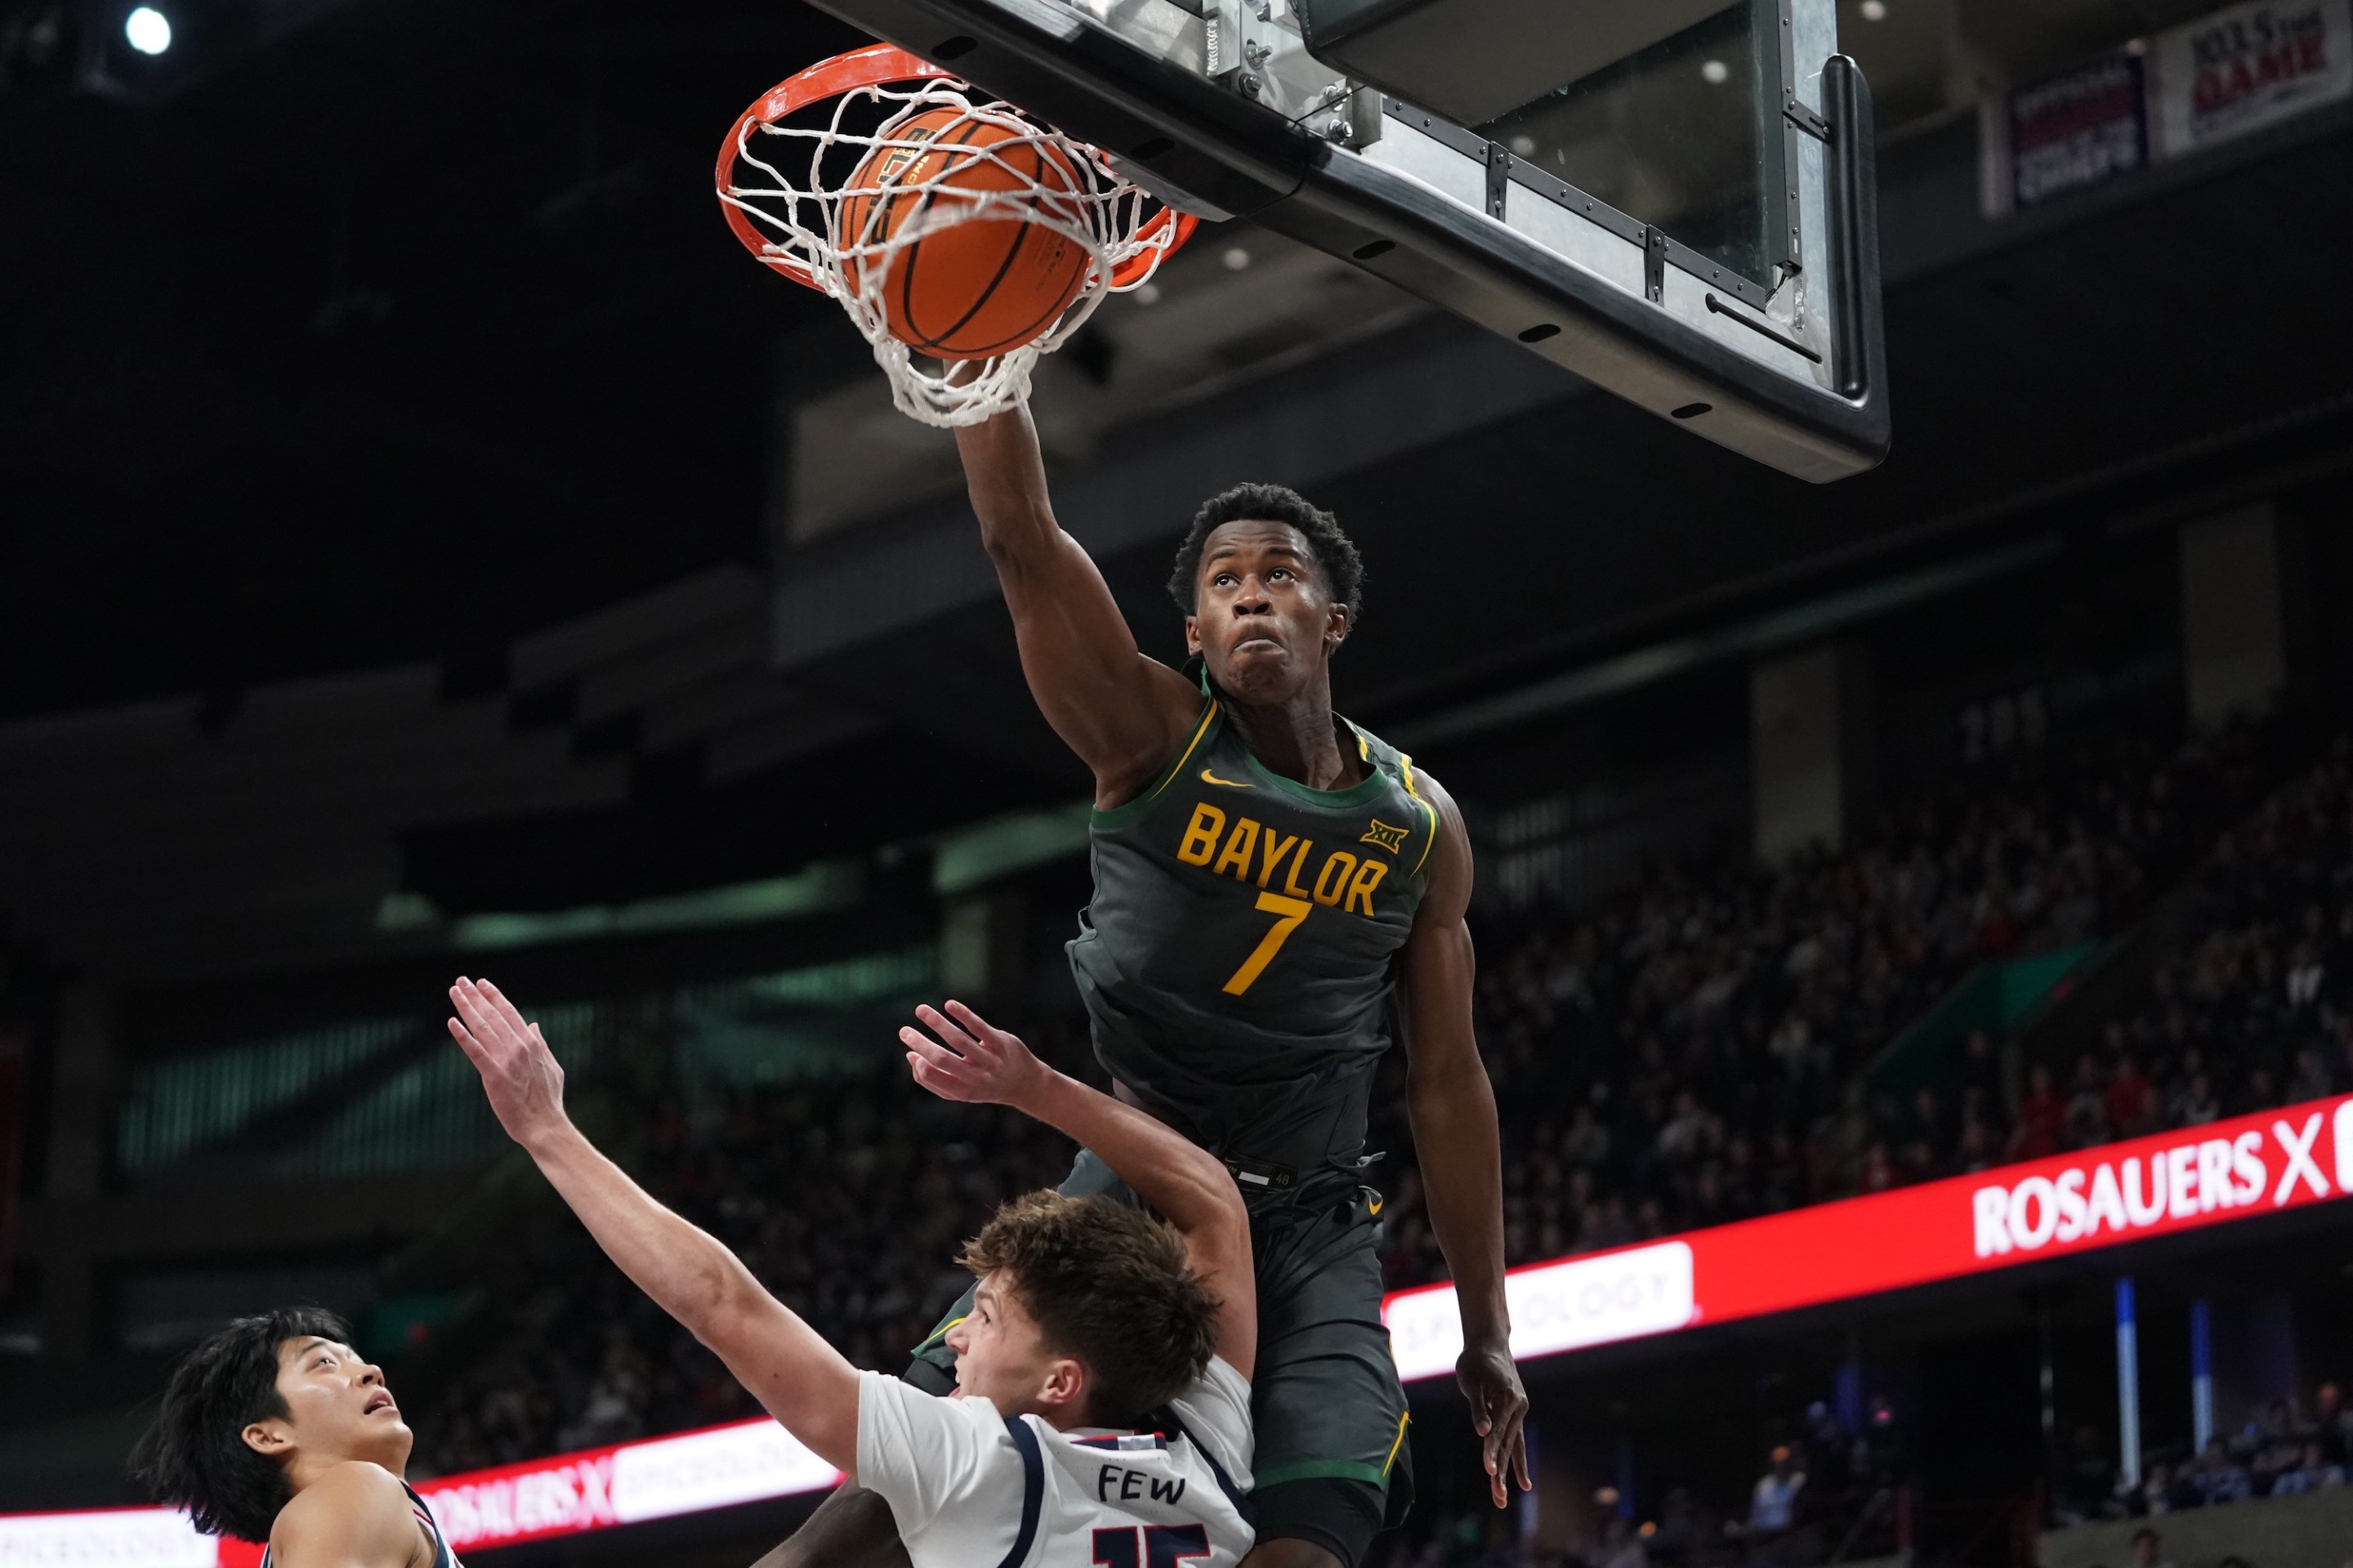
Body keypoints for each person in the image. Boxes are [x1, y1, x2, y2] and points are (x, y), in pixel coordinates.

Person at [779, 399, 1524, 1568]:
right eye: (1224, 582)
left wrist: (1488, 1327)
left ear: (1336, 618)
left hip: (1313, 1213)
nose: (1251, 594)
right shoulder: (1150, 736)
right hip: (1132, 1178)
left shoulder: (1419, 824)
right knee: (879, 1489)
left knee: (1310, 1533)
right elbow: (1023, 541)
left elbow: (1448, 1079)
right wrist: (983, 379)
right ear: (1192, 631)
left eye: (1280, 574)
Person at [447, 977, 1259, 1567]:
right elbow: (1214, 1204)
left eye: (989, 1317)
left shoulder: (983, 1460)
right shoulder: (1207, 1450)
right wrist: (1035, 1087)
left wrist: (547, 1129)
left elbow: (724, 1302)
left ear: (1060, 1381)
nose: (958, 1335)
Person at [127, 1307, 458, 1568]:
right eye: (325, 1363)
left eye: (356, 1360)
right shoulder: (353, 1488)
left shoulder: (355, 1514)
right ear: (268, 1435)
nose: (371, 1370)